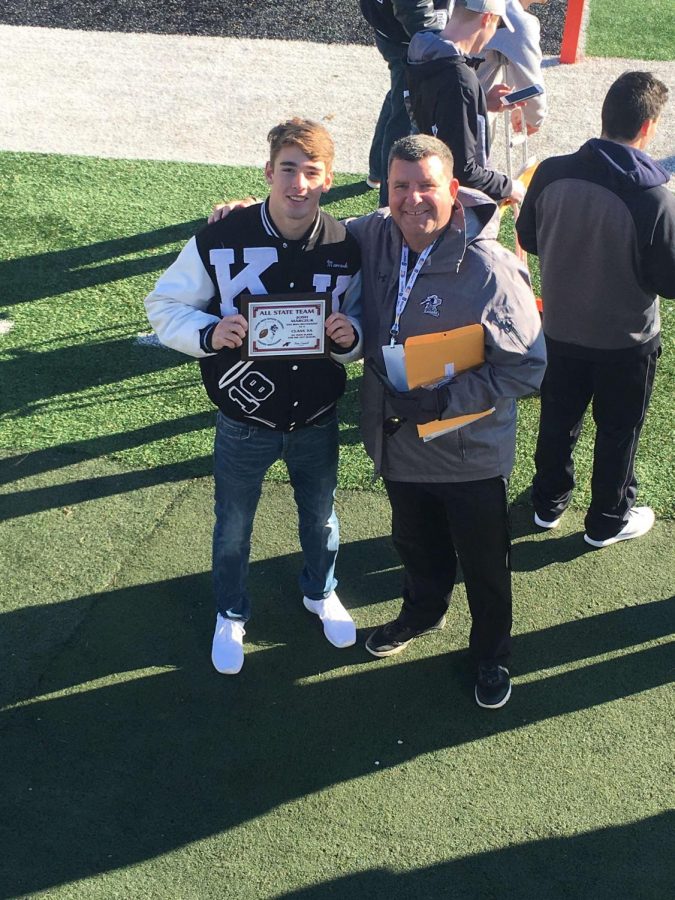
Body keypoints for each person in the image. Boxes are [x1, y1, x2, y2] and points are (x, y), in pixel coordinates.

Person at [209, 134, 546, 708]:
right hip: (397, 441)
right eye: (399, 187)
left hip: (468, 449)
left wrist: (446, 401)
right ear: (386, 190)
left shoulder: (492, 270)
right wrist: (247, 215)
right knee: (415, 544)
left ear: (454, 191)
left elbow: (527, 369)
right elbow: (307, 219)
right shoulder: (374, 234)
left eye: (426, 187)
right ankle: (421, 613)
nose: (413, 200)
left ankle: (491, 655)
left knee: (485, 563)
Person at [145, 118, 362, 675]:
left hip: (316, 414)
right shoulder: (220, 235)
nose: (298, 183)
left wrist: (349, 340)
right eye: (287, 169)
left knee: (320, 518)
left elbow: (359, 322)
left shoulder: (346, 242)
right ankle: (229, 611)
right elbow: (163, 305)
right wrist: (207, 334)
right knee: (234, 523)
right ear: (268, 172)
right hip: (244, 415)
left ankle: (320, 591)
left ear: (329, 180)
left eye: (311, 172)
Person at [517, 71, 675, 548]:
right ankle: (607, 520)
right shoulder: (654, 198)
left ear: (603, 116)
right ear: (648, 127)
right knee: (618, 433)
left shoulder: (551, 172)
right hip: (626, 344)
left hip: (560, 331)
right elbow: (667, 283)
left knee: (558, 420)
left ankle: (547, 503)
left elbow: (527, 238)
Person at [405, 0, 526, 204]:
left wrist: (480, 102)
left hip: (420, 179)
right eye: (496, 25)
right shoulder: (460, 80)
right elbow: (463, 171)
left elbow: (436, 108)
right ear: (487, 18)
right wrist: (509, 187)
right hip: (451, 206)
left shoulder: (421, 50)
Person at [359, 0, 451, 206]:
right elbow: (415, 11)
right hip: (409, 36)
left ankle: (377, 173)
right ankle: (388, 208)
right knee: (404, 117)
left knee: (399, 97)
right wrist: (441, 45)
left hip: (397, 29)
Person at [478, 0, 548, 142]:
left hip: (432, 102)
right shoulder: (517, 20)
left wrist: (517, 103)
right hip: (466, 119)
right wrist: (533, 119)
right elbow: (533, 89)